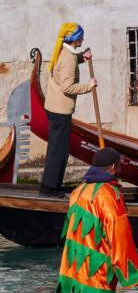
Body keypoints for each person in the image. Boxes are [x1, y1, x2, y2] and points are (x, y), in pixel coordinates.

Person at [55, 148, 138, 293]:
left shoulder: (78, 190)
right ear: (113, 167)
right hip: (98, 264)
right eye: (119, 165)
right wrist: (130, 273)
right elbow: (119, 232)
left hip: (76, 262)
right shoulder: (109, 193)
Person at [41, 22, 96, 198]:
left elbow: (67, 65)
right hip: (61, 110)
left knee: (55, 148)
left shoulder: (63, 51)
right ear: (75, 39)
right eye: (81, 36)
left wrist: (82, 57)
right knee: (59, 151)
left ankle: (50, 186)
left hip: (53, 107)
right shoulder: (68, 58)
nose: (83, 39)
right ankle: (50, 189)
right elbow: (67, 87)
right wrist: (89, 86)